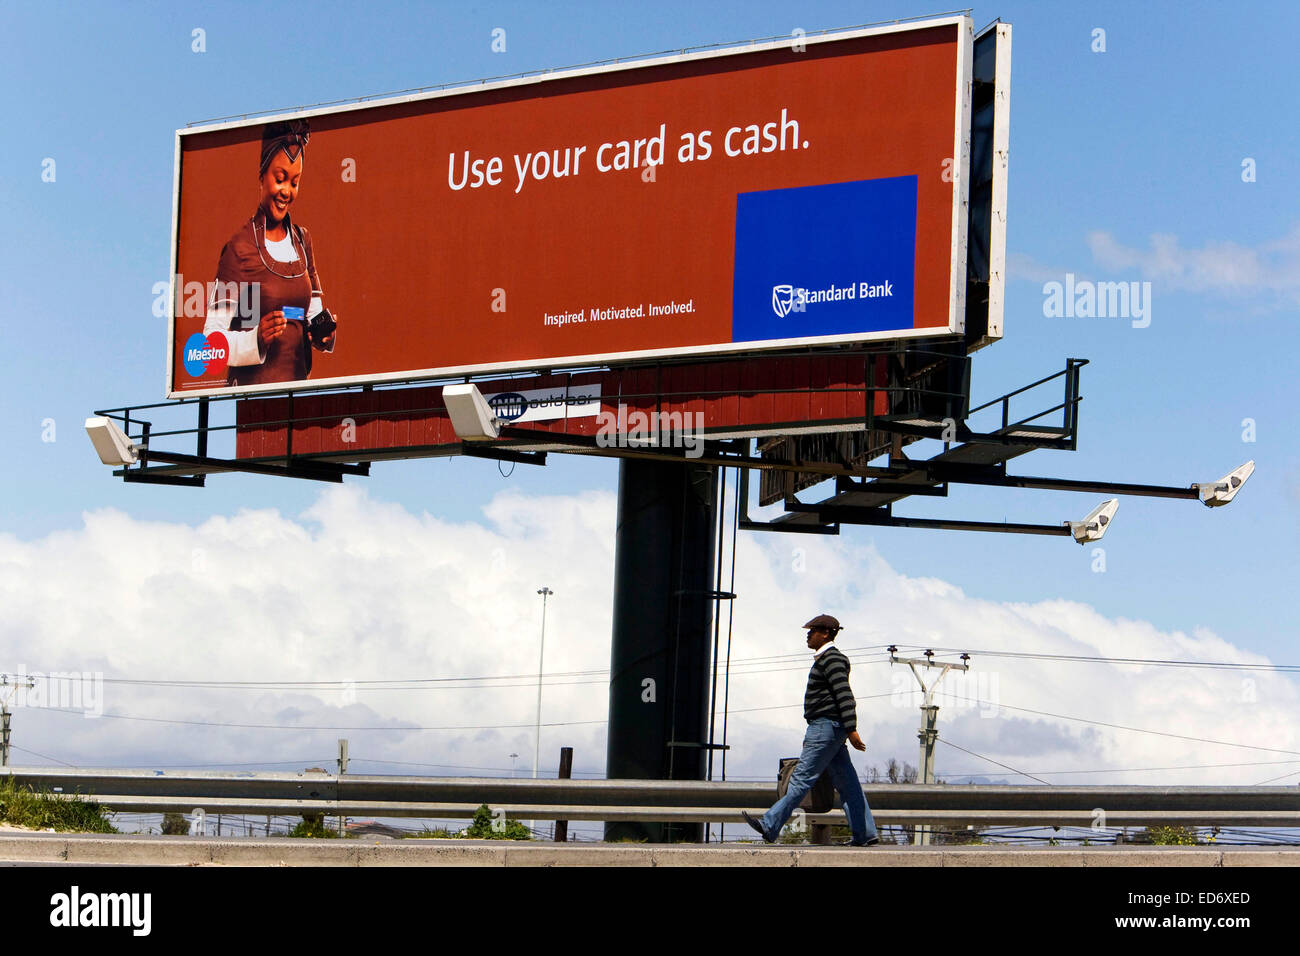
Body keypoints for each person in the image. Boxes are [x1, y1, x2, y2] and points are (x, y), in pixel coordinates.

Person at [204, 118, 337, 387]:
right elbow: (209, 346)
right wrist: (255, 339)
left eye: (295, 182)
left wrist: (325, 336)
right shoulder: (239, 249)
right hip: (255, 400)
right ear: (262, 176)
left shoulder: (302, 241)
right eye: (280, 179)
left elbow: (312, 315)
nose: (286, 191)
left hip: (299, 399)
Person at [742, 614, 880, 846]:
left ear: (825, 633)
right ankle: (865, 834)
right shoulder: (826, 659)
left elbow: (844, 695)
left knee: (801, 780)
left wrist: (852, 729)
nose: (808, 634)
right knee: (848, 784)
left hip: (824, 728)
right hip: (831, 729)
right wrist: (847, 729)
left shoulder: (832, 659)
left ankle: (769, 824)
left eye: (812, 630)